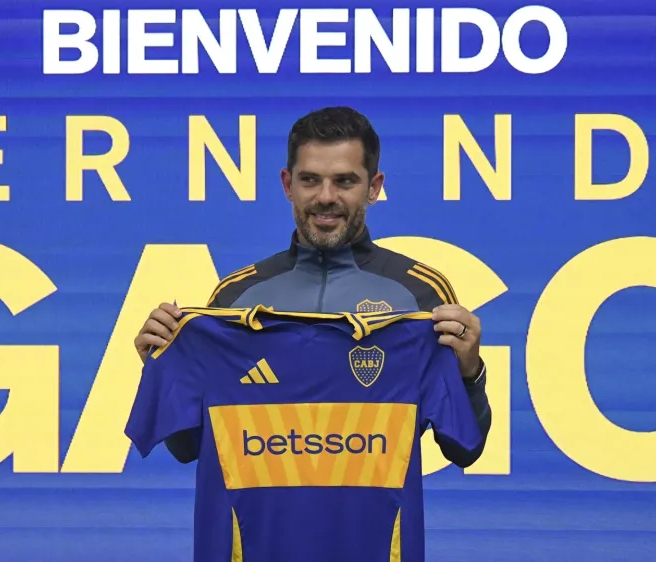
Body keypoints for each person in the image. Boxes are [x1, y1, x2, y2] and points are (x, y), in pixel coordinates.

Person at [134, 106, 491, 467]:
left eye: (345, 181)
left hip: (376, 524)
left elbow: (464, 451)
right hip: (258, 524)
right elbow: (188, 448)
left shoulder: (423, 294)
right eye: (310, 180)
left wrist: (470, 373)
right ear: (288, 185)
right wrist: (161, 366)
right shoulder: (233, 298)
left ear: (374, 188)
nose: (325, 196)